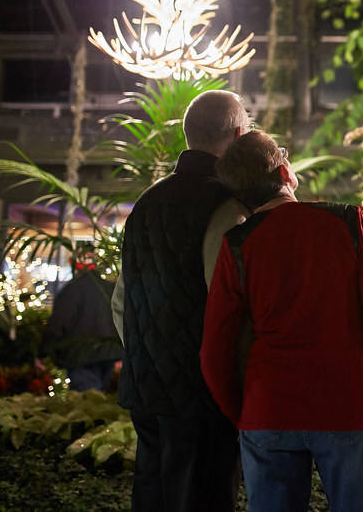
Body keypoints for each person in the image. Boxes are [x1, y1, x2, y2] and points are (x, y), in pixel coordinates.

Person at [201, 130, 363, 512]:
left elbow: (214, 350)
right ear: (284, 173)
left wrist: (242, 414)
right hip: (348, 406)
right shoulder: (348, 223)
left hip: (269, 407)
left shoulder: (237, 244)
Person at [114, 90, 252, 512]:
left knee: (153, 496)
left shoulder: (146, 202)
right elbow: (226, 305)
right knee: (203, 497)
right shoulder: (226, 204)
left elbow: (121, 299)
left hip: (145, 385)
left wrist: (145, 354)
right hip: (201, 393)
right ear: (237, 135)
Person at [41, 247, 122, 392]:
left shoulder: (72, 290)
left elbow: (58, 323)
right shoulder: (111, 289)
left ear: (74, 266)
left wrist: (44, 352)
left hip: (81, 355)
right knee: (99, 398)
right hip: (109, 354)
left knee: (87, 400)